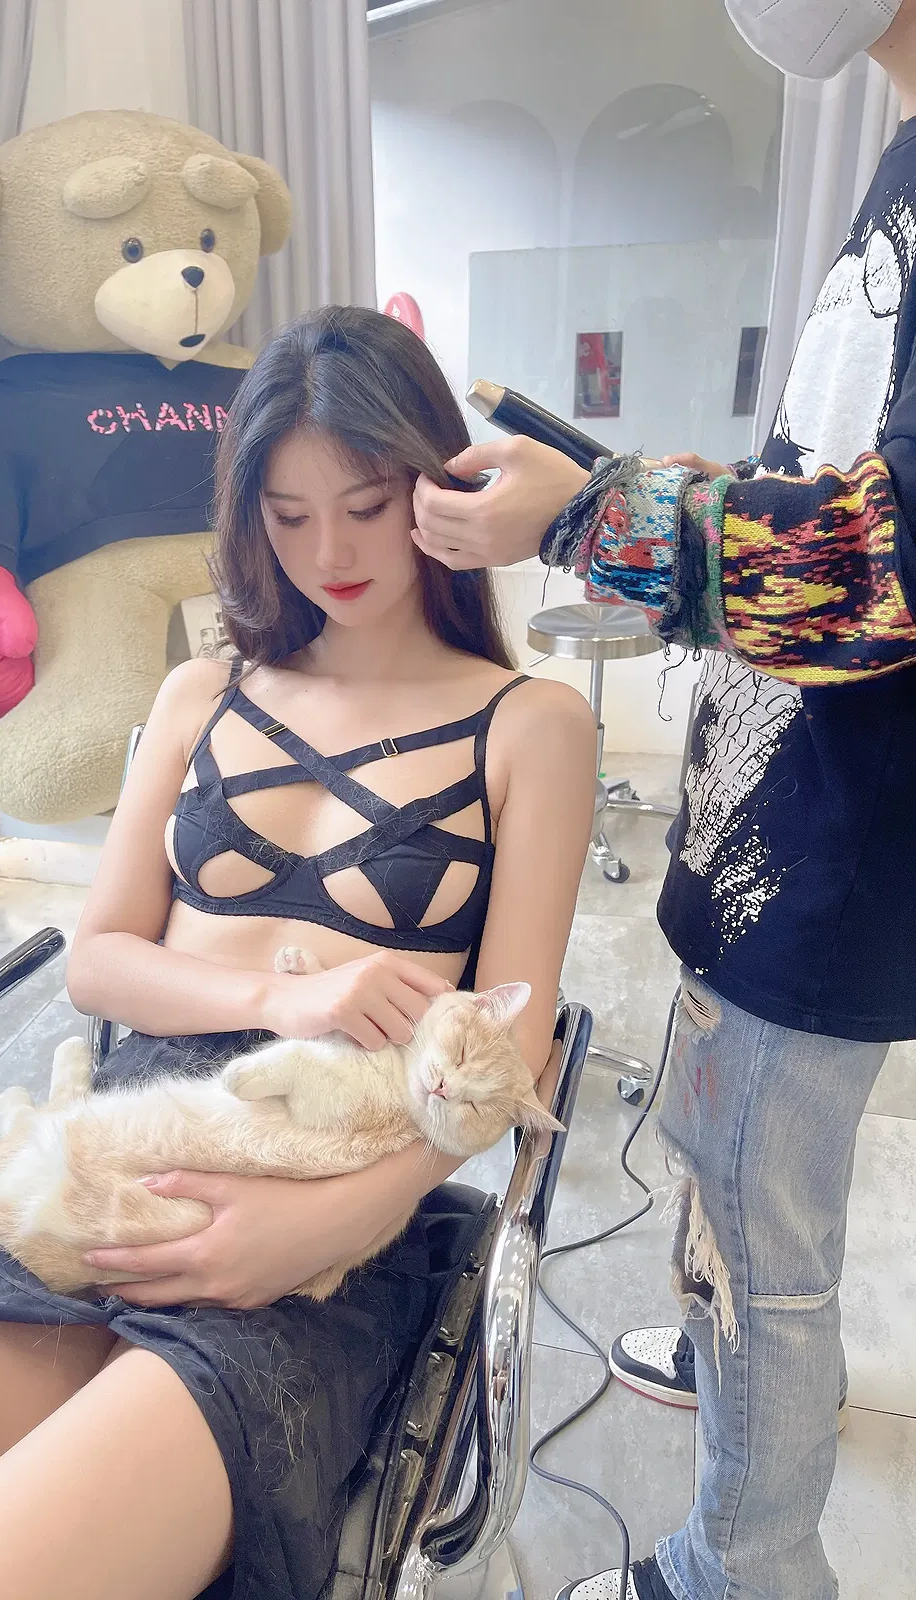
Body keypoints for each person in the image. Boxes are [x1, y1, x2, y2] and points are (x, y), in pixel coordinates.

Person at [0, 306, 596, 1600]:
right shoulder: (203, 693)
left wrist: (320, 1227)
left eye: (366, 506)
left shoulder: (531, 725)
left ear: (438, 486)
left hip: (334, 1203)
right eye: (288, 517)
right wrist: (290, 998)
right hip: (112, 1152)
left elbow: (515, 1054)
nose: (330, 553)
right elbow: (101, 961)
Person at [412, 6, 916, 1599]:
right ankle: (723, 1367)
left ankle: (742, 1566)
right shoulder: (903, 154)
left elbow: (876, 567)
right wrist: (666, 491)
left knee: (769, 1242)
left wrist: (594, 517)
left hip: (841, 861)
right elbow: (842, 484)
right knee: (719, 1161)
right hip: (780, 817)